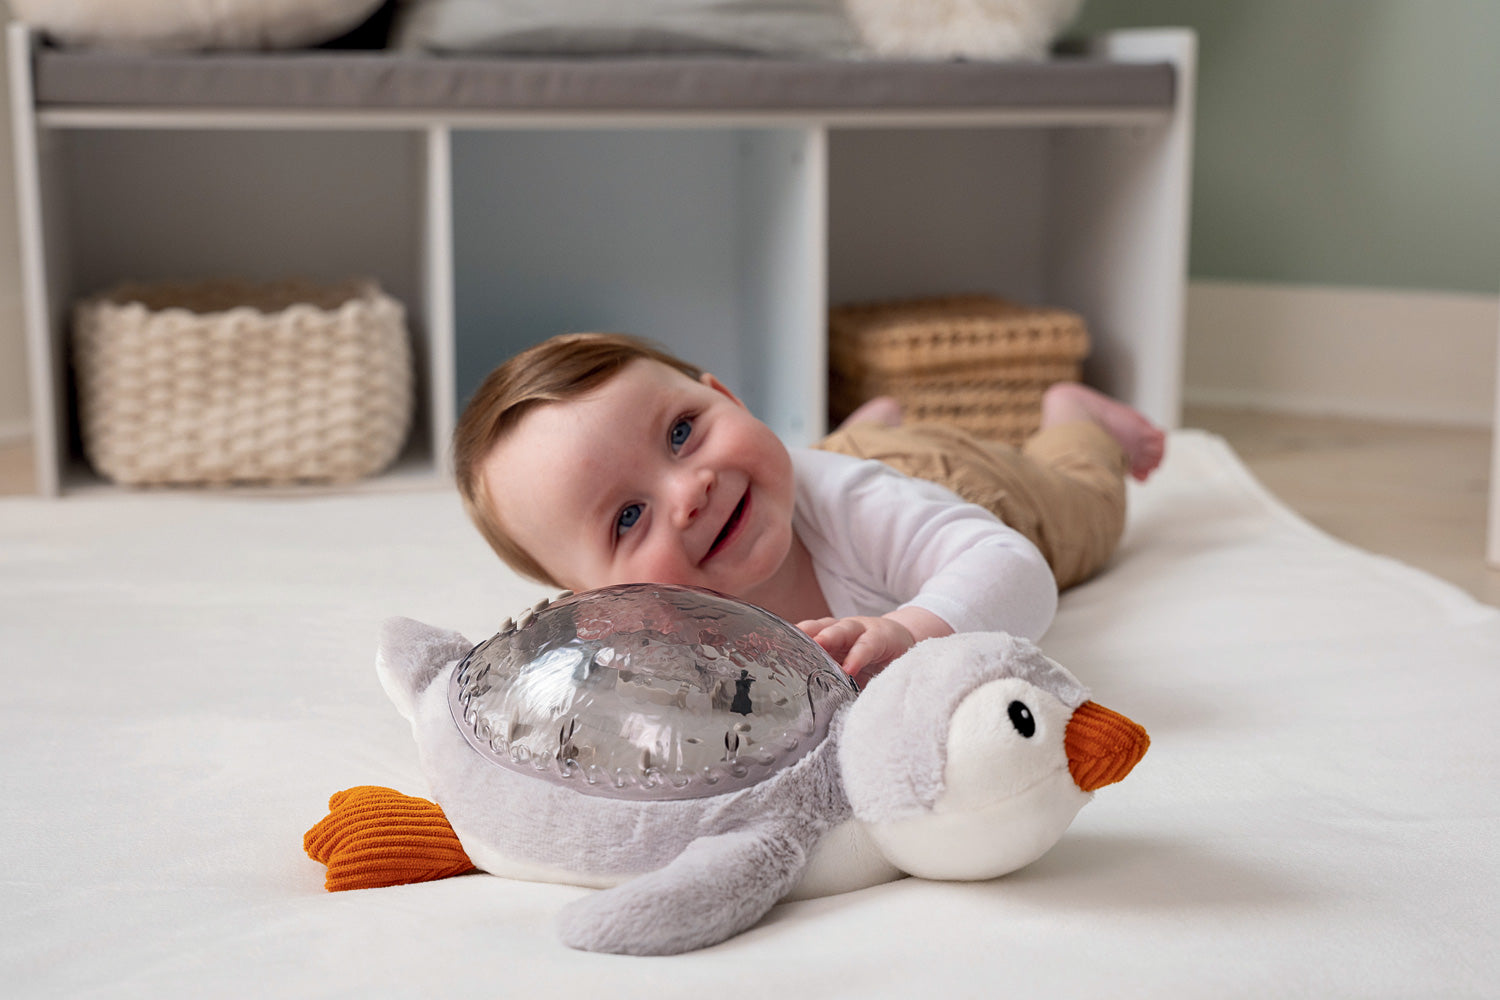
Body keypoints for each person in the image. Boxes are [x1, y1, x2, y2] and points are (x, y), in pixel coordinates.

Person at [452, 332, 1164, 680]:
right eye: (628, 518)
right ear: (598, 605)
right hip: (821, 472)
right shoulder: (645, 642)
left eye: (681, 432)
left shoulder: (857, 504)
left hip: (964, 485)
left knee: (1086, 508)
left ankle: (1075, 419)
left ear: (727, 398)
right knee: (805, 462)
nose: (690, 491)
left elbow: (1014, 566)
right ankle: (865, 429)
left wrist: (910, 631)